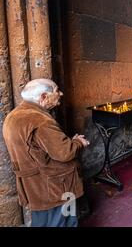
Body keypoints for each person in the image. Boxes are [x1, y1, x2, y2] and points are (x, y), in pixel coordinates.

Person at [2, 79, 90, 227]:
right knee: (64, 221)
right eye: (56, 90)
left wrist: (68, 142)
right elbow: (65, 153)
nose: (60, 93)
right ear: (44, 97)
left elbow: (40, 148)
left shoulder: (14, 116)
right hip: (56, 186)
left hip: (35, 186)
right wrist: (78, 143)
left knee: (43, 221)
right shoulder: (40, 120)